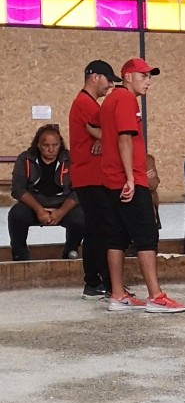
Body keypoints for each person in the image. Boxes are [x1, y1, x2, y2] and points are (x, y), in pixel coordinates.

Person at [100, 57, 185, 313]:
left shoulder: (110, 100)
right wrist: (130, 178)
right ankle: (156, 296)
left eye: (150, 77)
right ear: (128, 76)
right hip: (130, 180)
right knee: (146, 236)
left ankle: (117, 294)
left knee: (116, 236)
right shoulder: (126, 99)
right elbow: (124, 139)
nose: (148, 82)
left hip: (110, 180)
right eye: (143, 76)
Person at [68, 60, 119, 299]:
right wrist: (105, 137)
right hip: (91, 176)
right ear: (94, 77)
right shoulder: (86, 105)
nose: (110, 85)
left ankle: (93, 282)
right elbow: (111, 131)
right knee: (103, 229)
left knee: (94, 230)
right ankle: (105, 282)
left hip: (89, 175)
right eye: (108, 80)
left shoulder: (86, 104)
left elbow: (102, 132)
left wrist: (102, 138)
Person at [8, 125, 85, 262]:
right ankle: (19, 254)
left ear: (60, 144)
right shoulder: (25, 159)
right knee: (16, 215)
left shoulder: (71, 159)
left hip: (63, 202)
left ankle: (71, 250)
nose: (51, 150)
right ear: (38, 145)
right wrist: (39, 210)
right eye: (46, 145)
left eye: (55, 145)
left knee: (80, 217)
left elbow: (79, 189)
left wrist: (60, 212)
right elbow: (18, 189)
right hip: (34, 203)